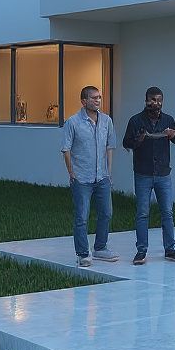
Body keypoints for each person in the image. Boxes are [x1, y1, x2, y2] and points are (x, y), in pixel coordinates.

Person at [122, 86, 175, 265]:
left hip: (163, 174)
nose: (155, 103)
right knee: (143, 213)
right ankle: (141, 251)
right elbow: (126, 142)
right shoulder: (136, 120)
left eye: (158, 100)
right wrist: (139, 140)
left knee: (167, 212)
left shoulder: (167, 119)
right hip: (143, 173)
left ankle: (170, 249)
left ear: (162, 101)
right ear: (145, 100)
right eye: (151, 100)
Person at [60, 85, 118, 267]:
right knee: (81, 217)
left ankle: (100, 248)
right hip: (81, 178)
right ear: (84, 101)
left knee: (107, 213)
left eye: (99, 97)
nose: (98, 101)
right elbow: (66, 149)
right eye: (93, 98)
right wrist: (71, 173)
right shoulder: (73, 122)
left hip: (102, 177)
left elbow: (110, 146)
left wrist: (109, 172)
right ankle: (83, 253)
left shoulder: (106, 121)